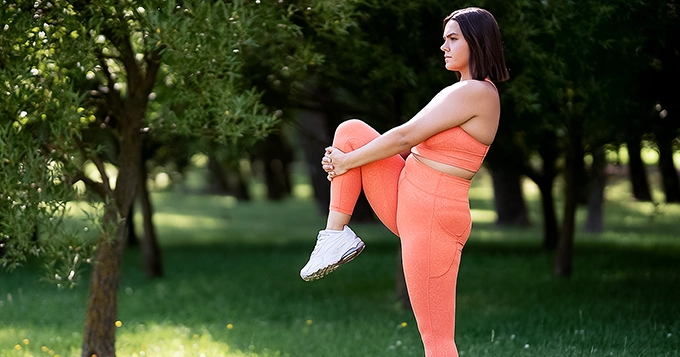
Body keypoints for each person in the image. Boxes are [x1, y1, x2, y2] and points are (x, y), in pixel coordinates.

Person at [299, 7, 509, 357]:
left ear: (477, 41)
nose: (444, 46)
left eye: (453, 39)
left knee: (438, 341)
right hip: (410, 194)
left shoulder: (477, 93)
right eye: (444, 39)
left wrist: (346, 162)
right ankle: (334, 236)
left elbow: (404, 137)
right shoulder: (458, 90)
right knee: (350, 132)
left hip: (433, 212)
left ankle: (336, 233)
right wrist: (343, 159)